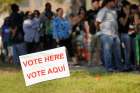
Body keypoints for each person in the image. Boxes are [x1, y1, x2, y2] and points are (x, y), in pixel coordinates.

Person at [95, 0, 122, 72]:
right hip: (106, 34)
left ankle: (118, 68)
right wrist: (100, 32)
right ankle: (109, 68)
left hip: (115, 34)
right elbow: (97, 22)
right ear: (108, 2)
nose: (114, 3)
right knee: (108, 52)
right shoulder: (103, 10)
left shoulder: (114, 11)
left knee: (117, 52)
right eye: (113, 2)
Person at [118, 1, 132, 71]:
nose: (128, 9)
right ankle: (124, 66)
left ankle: (128, 66)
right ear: (123, 8)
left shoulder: (129, 14)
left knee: (128, 51)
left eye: (129, 8)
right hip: (122, 34)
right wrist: (126, 15)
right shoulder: (120, 15)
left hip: (127, 34)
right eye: (127, 8)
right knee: (123, 51)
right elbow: (123, 23)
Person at [87, 0, 101, 66]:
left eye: (97, 3)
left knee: (99, 48)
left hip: (99, 32)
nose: (96, 5)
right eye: (95, 3)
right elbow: (86, 23)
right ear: (92, 4)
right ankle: (90, 62)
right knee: (91, 49)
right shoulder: (89, 12)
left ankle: (97, 62)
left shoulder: (101, 11)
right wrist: (87, 32)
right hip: (91, 32)